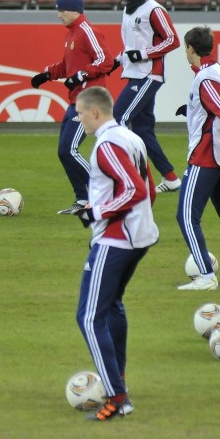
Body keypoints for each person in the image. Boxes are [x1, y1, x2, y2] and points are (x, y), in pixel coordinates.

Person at [67, 86, 158, 421]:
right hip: (140, 236)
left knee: (89, 317)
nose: (78, 119)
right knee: (113, 305)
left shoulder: (106, 145)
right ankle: (118, 379)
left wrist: (96, 212)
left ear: (94, 112)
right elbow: (148, 189)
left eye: (79, 113)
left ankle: (117, 395)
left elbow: (133, 189)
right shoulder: (131, 138)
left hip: (116, 239)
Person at [30, 0, 114, 215]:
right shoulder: (72, 33)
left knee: (69, 149)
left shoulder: (87, 31)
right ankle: (83, 198)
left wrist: (82, 75)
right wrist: (47, 74)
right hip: (75, 100)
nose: (59, 15)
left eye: (61, 10)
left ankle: (103, 192)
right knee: (63, 151)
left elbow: (106, 61)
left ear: (74, 10)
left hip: (89, 100)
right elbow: (68, 66)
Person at [176, 26, 220, 291]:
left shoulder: (206, 79)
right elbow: (219, 106)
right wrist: (191, 109)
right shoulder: (218, 72)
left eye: (185, 47)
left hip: (207, 155)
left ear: (190, 49)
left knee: (186, 216)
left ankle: (206, 276)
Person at [114, 0, 182, 193]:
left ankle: (132, 179)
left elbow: (172, 40)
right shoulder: (128, 10)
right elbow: (131, 47)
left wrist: (143, 55)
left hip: (148, 75)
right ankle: (171, 178)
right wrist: (119, 59)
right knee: (143, 131)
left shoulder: (155, 10)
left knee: (118, 118)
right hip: (135, 73)